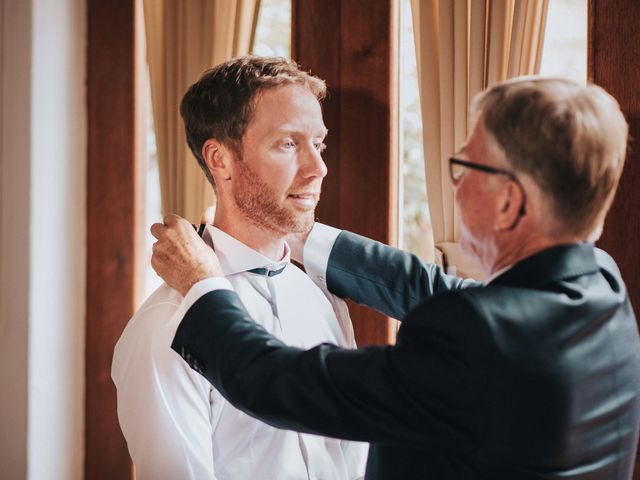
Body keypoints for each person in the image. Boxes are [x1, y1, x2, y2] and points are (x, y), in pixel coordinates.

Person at [150, 77, 640, 479]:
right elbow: (434, 290)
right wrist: (293, 221)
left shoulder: (479, 337)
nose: (318, 166)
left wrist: (201, 285)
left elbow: (281, 384)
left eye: (463, 166)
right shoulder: (601, 286)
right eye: (289, 144)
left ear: (510, 201)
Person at [112, 56, 368, 480]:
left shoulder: (323, 299)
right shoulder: (166, 328)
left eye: (318, 144)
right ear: (221, 160)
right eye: (288, 144)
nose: (318, 167)